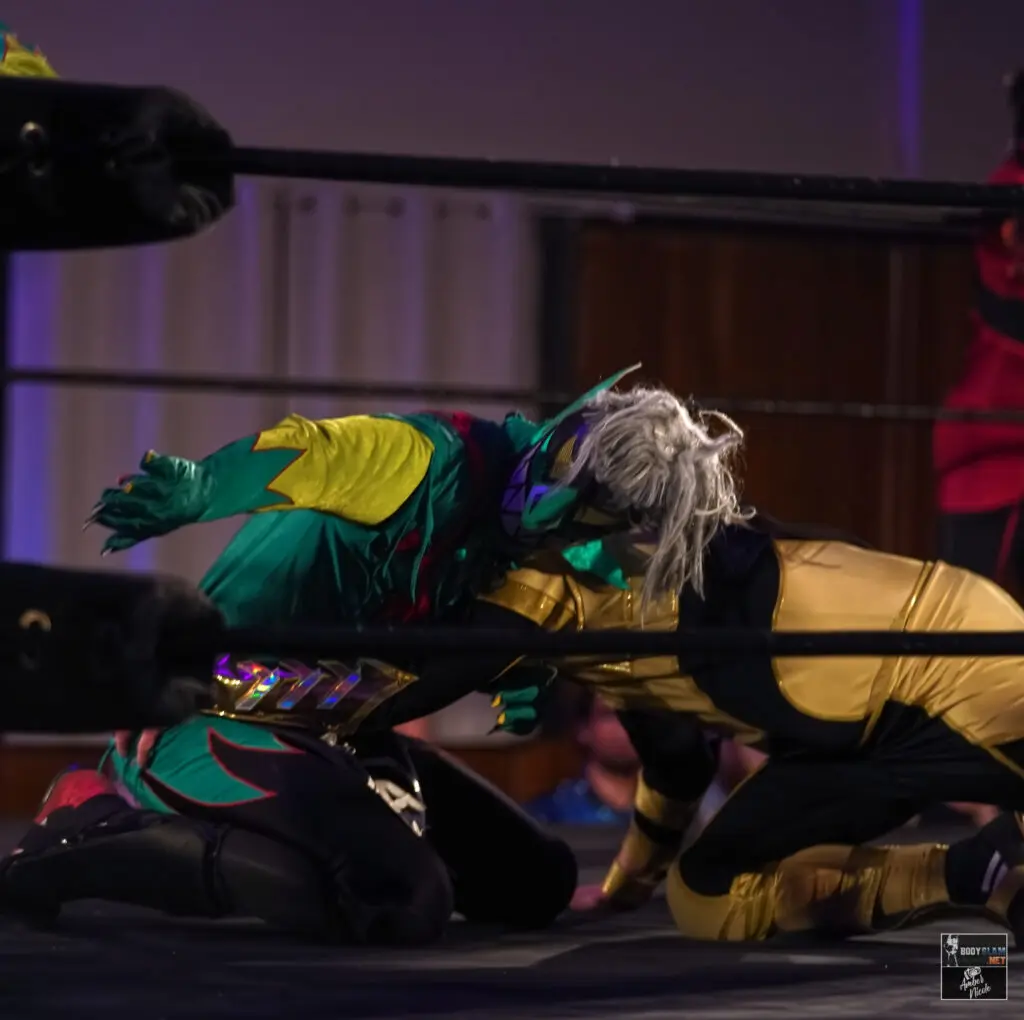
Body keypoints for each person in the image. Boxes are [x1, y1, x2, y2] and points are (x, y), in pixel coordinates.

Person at [249, 374, 1024, 945]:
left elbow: (398, 691)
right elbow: (678, 759)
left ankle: (986, 869)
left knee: (715, 894)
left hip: (950, 684)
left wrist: (229, 686)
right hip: (906, 693)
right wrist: (627, 889)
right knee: (708, 893)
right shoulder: (682, 556)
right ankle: (981, 872)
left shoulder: (559, 582)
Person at [1, 401, 588, 943]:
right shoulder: (426, 458)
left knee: (537, 881)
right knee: (397, 900)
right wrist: (207, 485)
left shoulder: (532, 551)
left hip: (335, 723)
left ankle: (295, 838)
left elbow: (421, 672)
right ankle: (93, 821)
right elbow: (313, 451)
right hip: (210, 709)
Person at [527, 695, 639, 826]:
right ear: (583, 729)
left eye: (635, 716)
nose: (624, 728)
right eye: (608, 715)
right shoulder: (548, 815)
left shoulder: (660, 812)